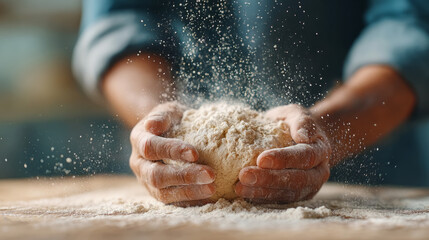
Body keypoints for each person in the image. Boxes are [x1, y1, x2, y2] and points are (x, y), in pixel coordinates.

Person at [73, 0, 429, 205]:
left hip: (367, 180)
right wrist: (156, 120)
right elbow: (118, 19)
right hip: (182, 181)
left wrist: (325, 134)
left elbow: (407, 27)